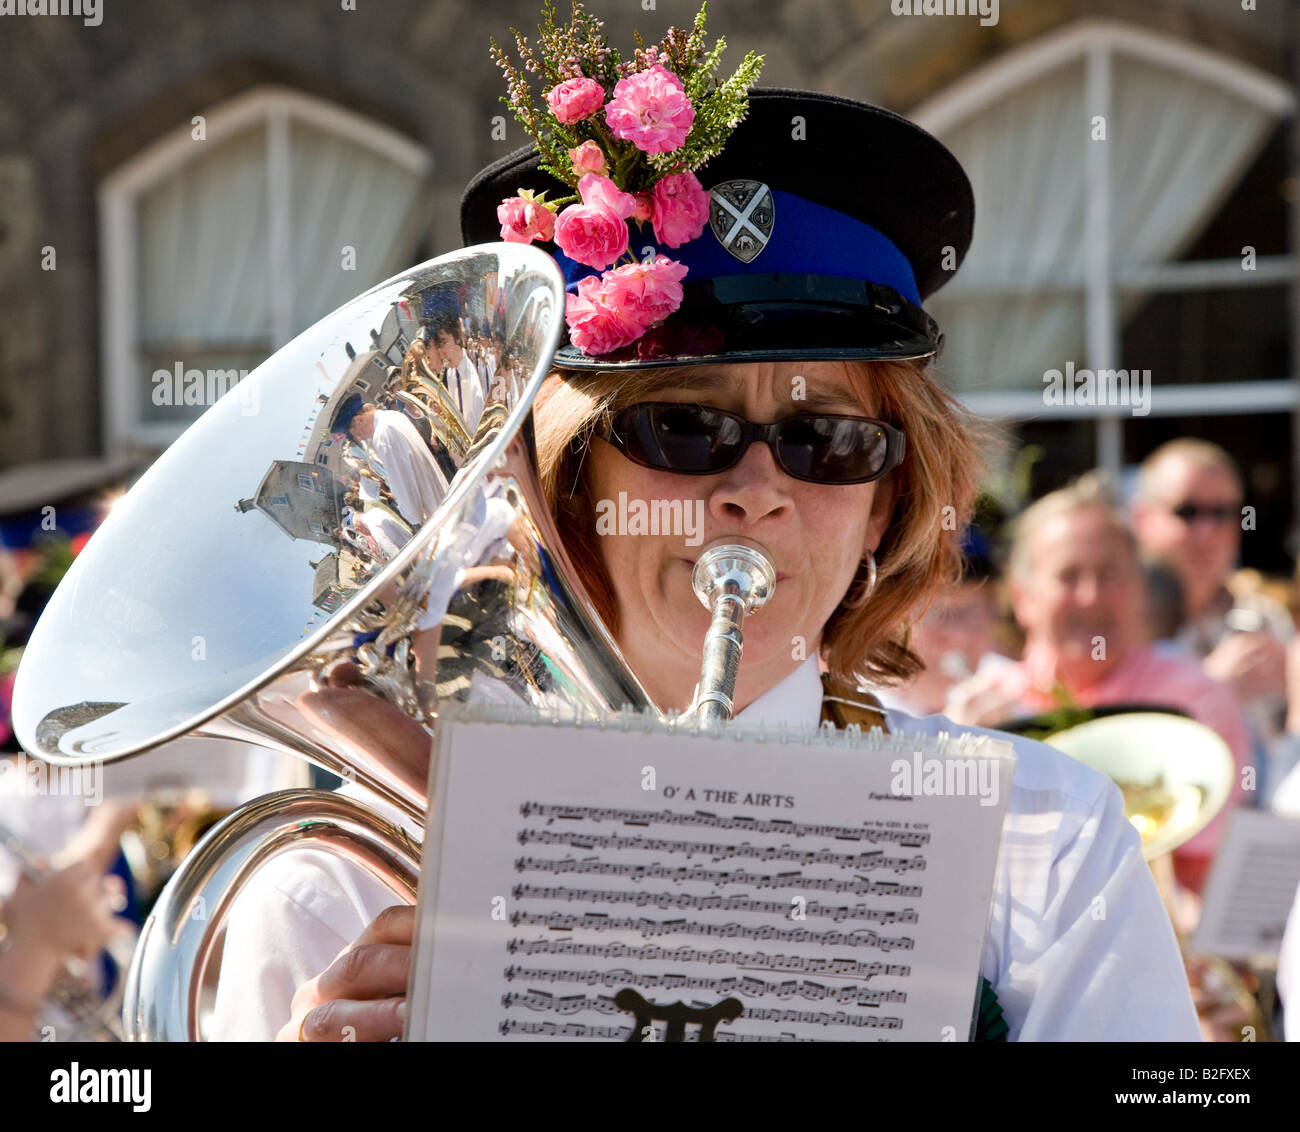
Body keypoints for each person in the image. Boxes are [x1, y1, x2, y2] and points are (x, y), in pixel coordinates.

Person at [210, 15, 1199, 1043]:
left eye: (827, 440)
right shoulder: (335, 895)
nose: (757, 490)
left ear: (885, 508)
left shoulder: (1042, 838)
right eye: (684, 426)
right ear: (563, 479)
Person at [331, 395, 449, 528]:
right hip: (443, 498)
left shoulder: (382, 436)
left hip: (435, 511)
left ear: (359, 419)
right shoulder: (392, 416)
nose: (362, 437)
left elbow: (407, 494)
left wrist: (410, 514)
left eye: (358, 433)